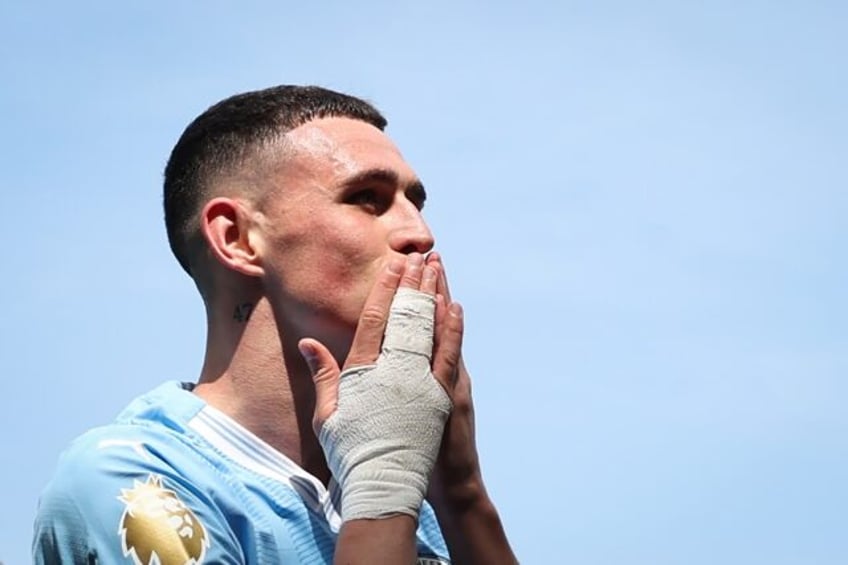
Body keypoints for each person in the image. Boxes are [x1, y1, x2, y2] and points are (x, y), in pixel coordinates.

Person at [33, 85, 516, 564]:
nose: (419, 234)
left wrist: (463, 496)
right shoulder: (134, 481)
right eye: (367, 198)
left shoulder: (415, 507)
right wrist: (383, 488)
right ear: (237, 238)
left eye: (416, 203)